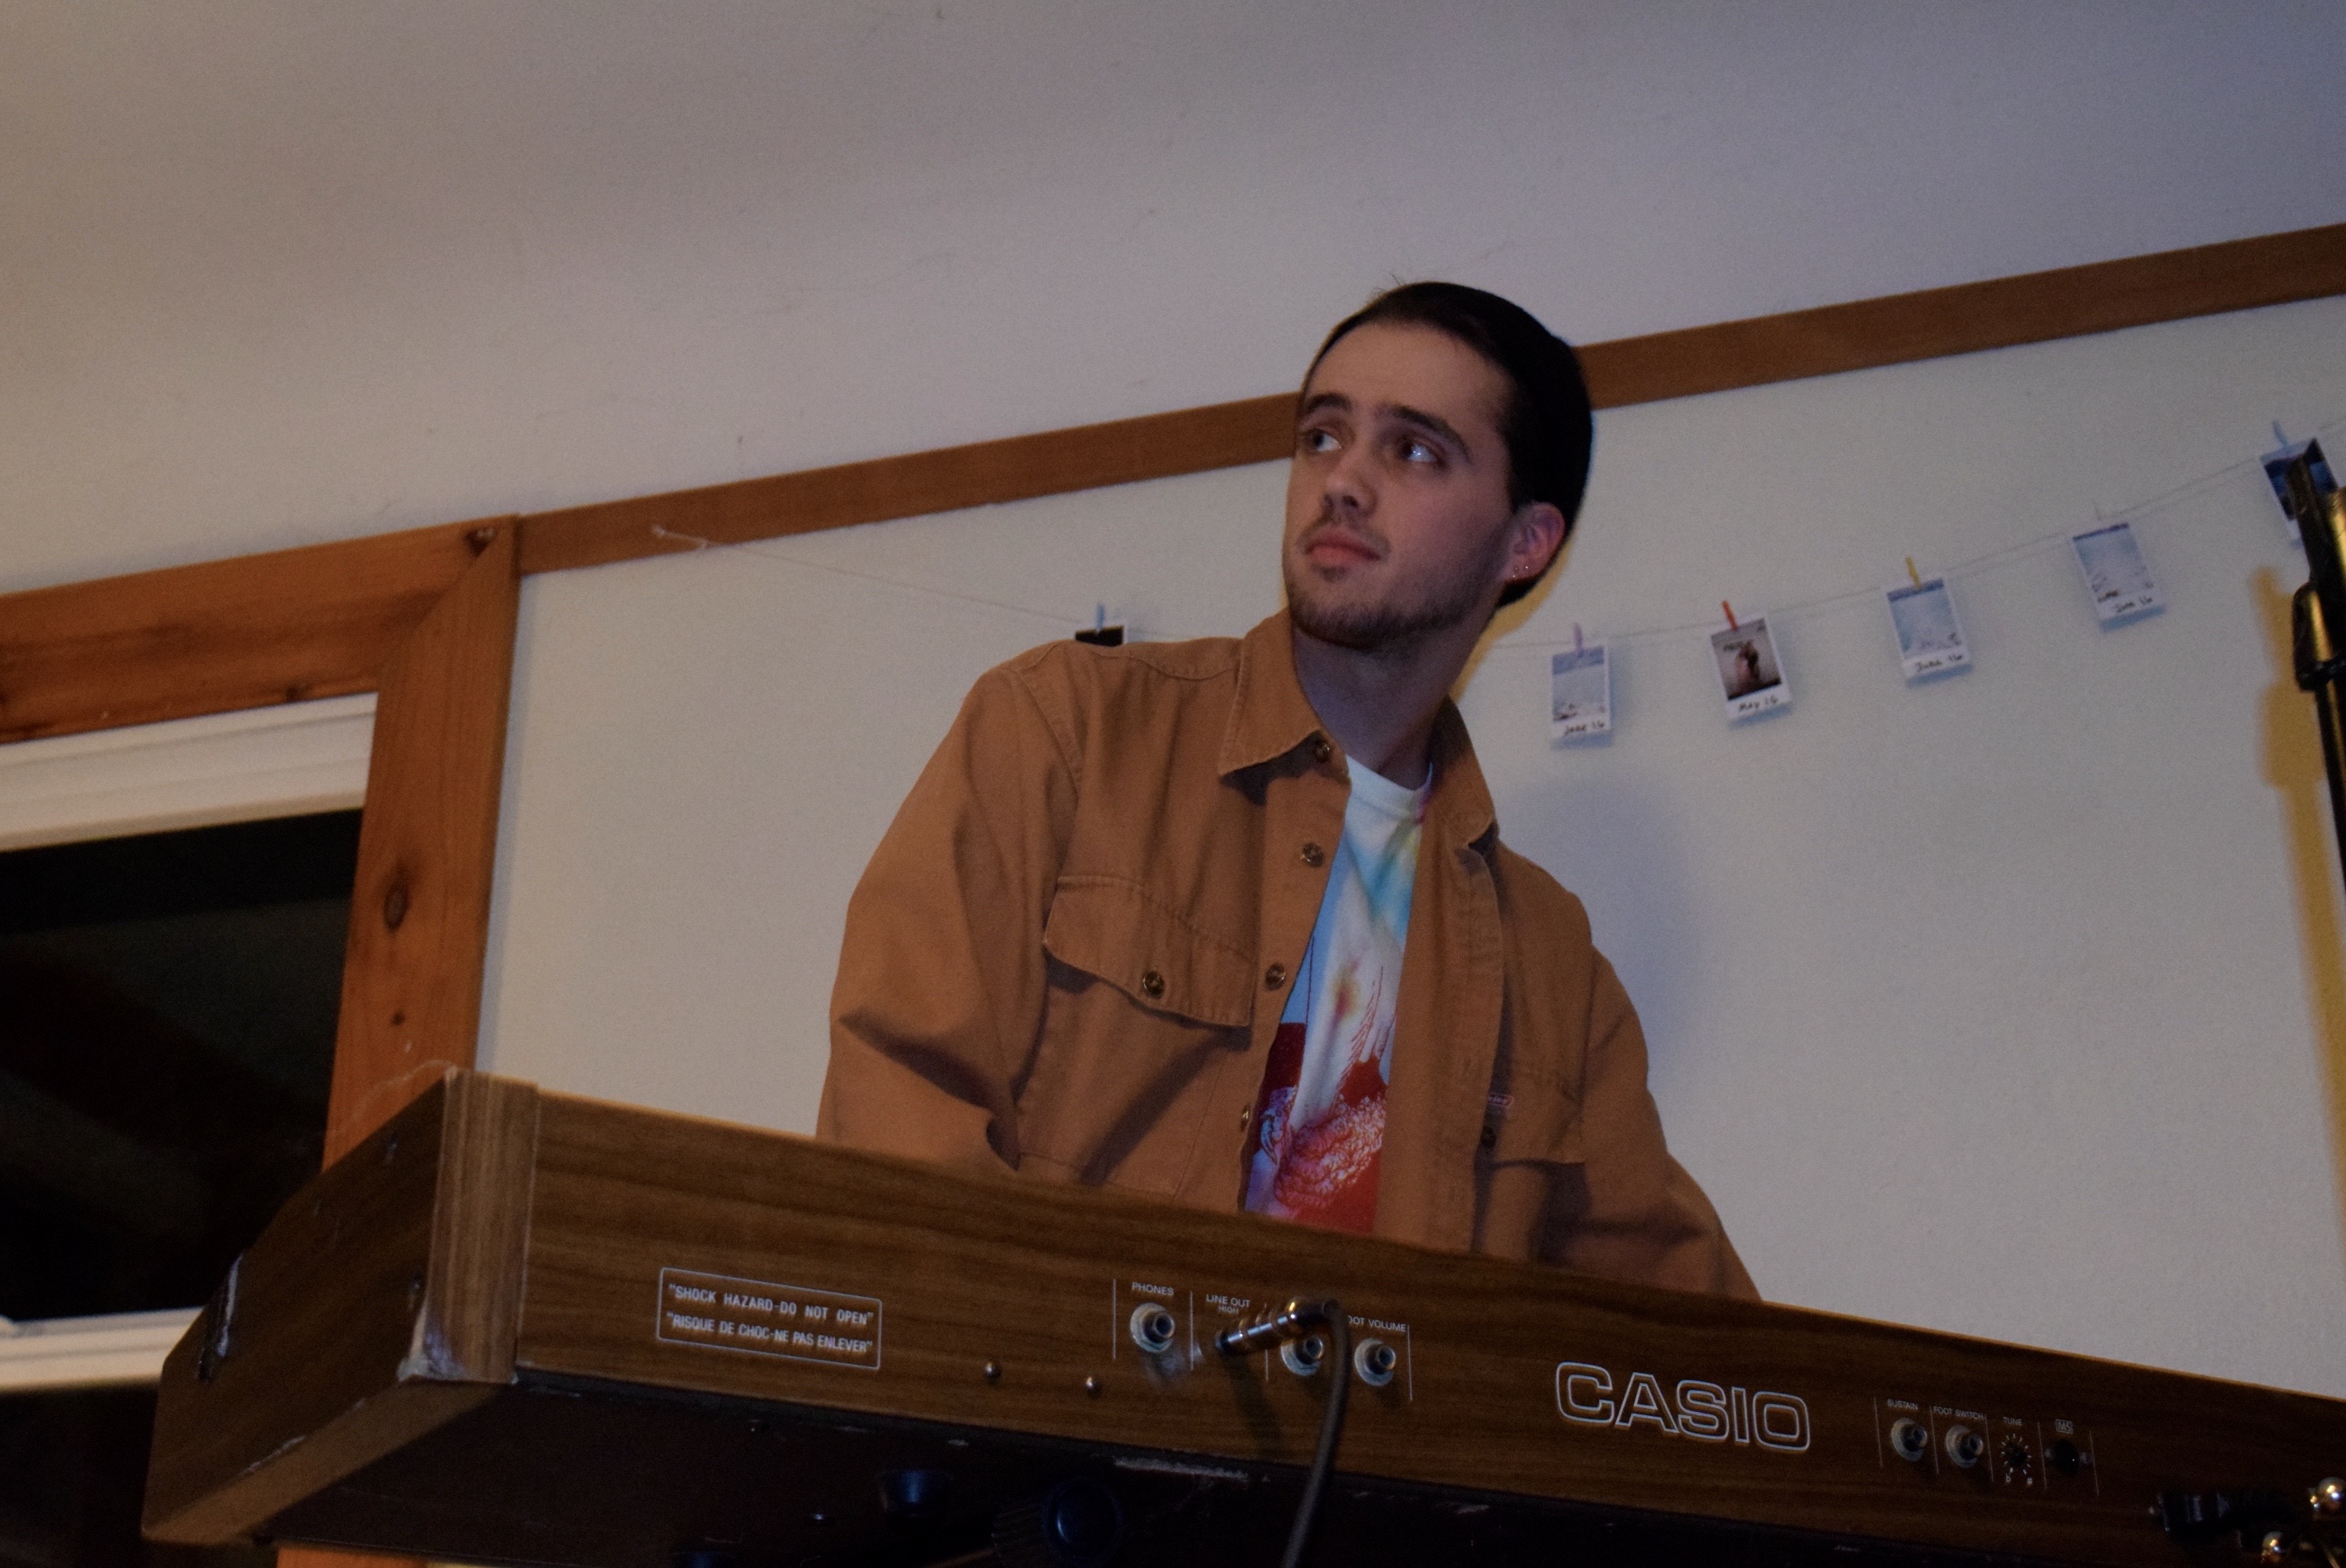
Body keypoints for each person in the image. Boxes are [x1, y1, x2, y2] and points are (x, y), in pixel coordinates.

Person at [819, 282, 1755, 1298]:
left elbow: (1687, 1331)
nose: (1342, 481)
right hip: (1039, 1395)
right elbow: (897, 1121)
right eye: (1323, 436)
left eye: (1414, 451)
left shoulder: (1551, 963)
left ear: (1526, 542)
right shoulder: (1067, 732)